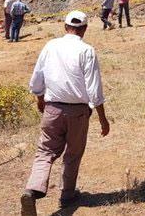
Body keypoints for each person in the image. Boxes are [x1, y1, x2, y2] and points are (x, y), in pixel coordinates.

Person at [21, 11, 110, 215]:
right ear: (85, 29)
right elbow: (94, 89)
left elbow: (37, 78)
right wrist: (103, 119)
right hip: (78, 112)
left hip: (52, 109)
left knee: (45, 152)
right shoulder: (87, 50)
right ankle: (67, 195)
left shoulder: (51, 45)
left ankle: (32, 191)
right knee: (73, 153)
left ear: (65, 27)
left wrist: (40, 99)